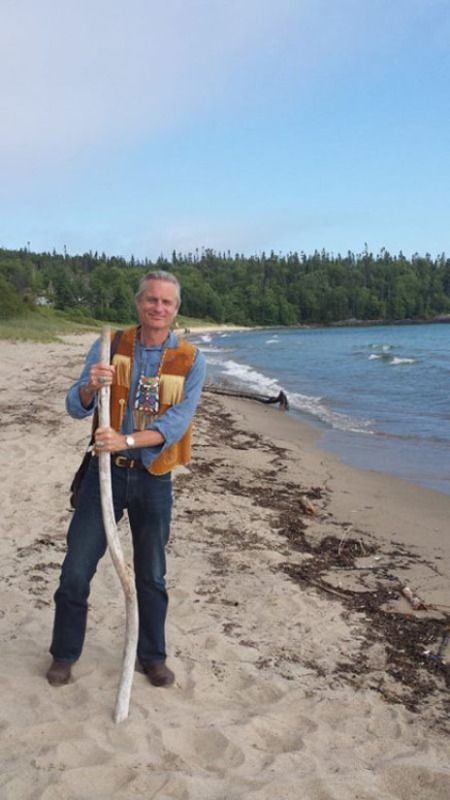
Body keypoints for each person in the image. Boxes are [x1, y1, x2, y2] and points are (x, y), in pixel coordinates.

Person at [46, 270, 206, 688]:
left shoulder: (191, 359)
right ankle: (64, 654)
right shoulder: (110, 346)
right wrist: (89, 388)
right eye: (151, 300)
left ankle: (151, 657)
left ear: (176, 309)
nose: (158, 308)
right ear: (139, 303)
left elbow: (176, 423)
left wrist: (126, 439)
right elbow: (75, 404)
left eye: (166, 302)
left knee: (151, 574)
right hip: (104, 476)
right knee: (77, 569)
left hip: (154, 478)